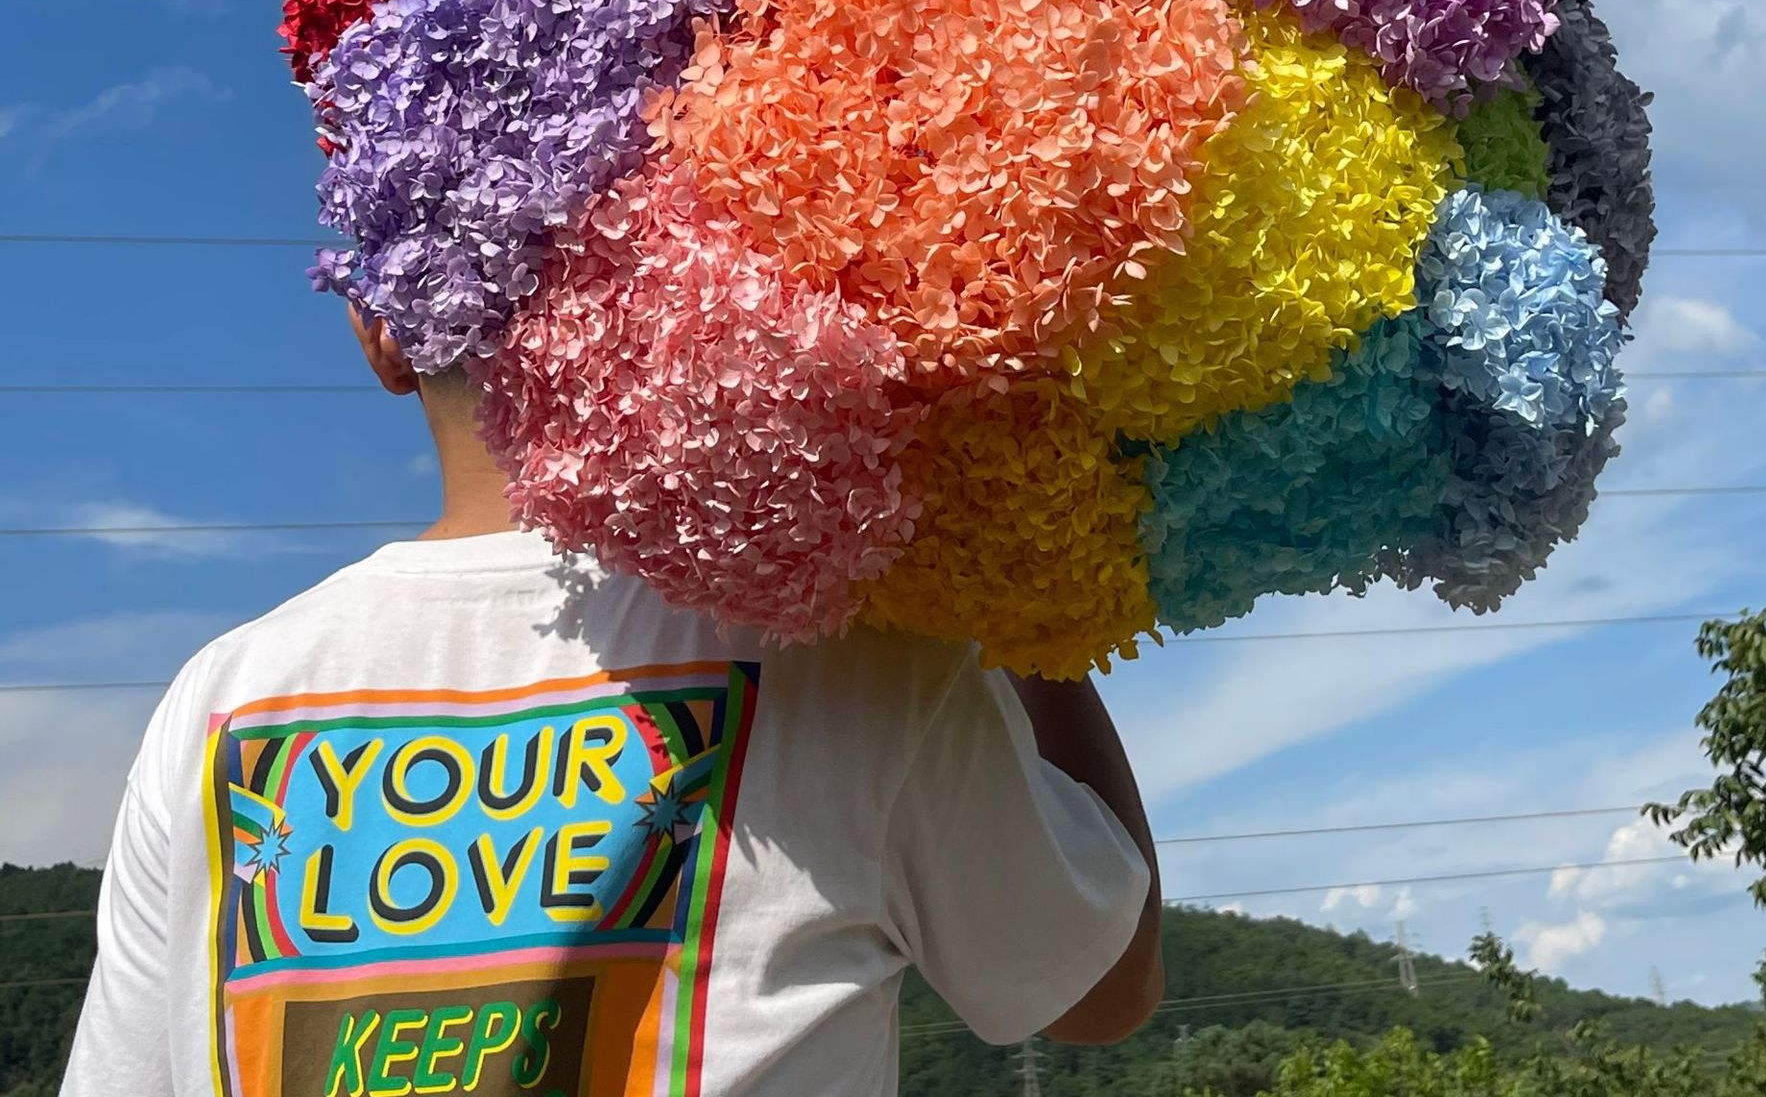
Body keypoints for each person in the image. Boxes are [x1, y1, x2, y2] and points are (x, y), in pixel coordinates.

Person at [60, 306, 1163, 1097]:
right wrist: (1031, 596)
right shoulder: (856, 660)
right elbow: (1098, 989)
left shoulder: (223, 696)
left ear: (378, 334)